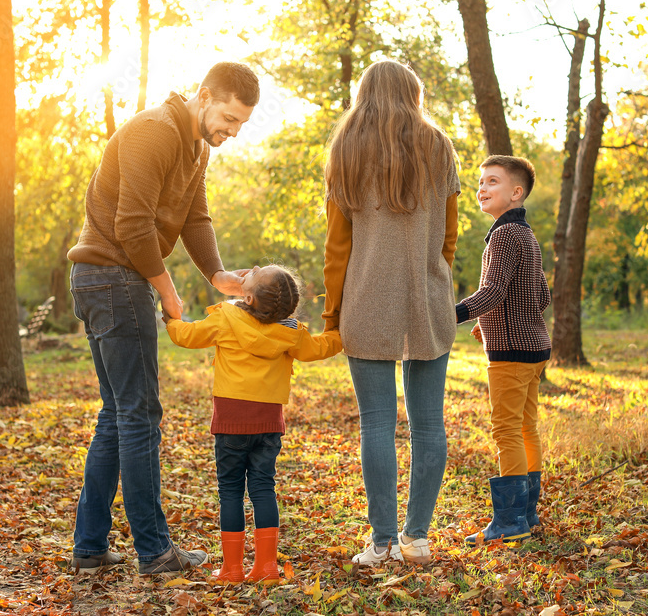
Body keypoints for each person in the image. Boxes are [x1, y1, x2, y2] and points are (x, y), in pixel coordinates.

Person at [67, 62, 260, 575]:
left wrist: (217, 274)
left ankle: (89, 547)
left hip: (110, 280)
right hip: (112, 278)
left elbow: (195, 216)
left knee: (118, 413)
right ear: (204, 96)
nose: (232, 131)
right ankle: (154, 551)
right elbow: (132, 223)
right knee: (139, 416)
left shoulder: (195, 145)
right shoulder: (154, 132)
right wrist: (167, 290)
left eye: (241, 124)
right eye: (228, 117)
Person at [321, 60, 460, 566]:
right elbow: (449, 232)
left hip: (364, 299)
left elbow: (338, 246)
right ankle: (417, 538)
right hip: (428, 300)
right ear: (414, 92)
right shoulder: (438, 145)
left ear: (363, 94)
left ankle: (380, 542)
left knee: (375, 423)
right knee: (429, 425)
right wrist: (432, 274)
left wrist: (334, 313)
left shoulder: (346, 149)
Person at [164, 265, 342, 583]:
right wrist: (340, 333)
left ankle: (232, 568)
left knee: (230, 491)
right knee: (263, 488)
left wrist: (172, 321)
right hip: (269, 422)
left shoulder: (225, 318)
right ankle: (267, 567)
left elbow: (188, 337)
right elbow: (319, 348)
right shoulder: (291, 332)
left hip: (231, 421)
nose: (254, 268)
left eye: (257, 273)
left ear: (247, 297)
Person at [454, 155, 551, 545]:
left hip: (511, 353)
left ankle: (510, 522)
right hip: (534, 348)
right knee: (526, 428)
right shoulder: (526, 235)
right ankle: (528, 515)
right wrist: (488, 321)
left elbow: (493, 291)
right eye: (480, 182)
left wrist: (450, 316)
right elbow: (539, 295)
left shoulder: (504, 236)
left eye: (492, 182)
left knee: (506, 430)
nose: (482, 188)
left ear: (516, 192)